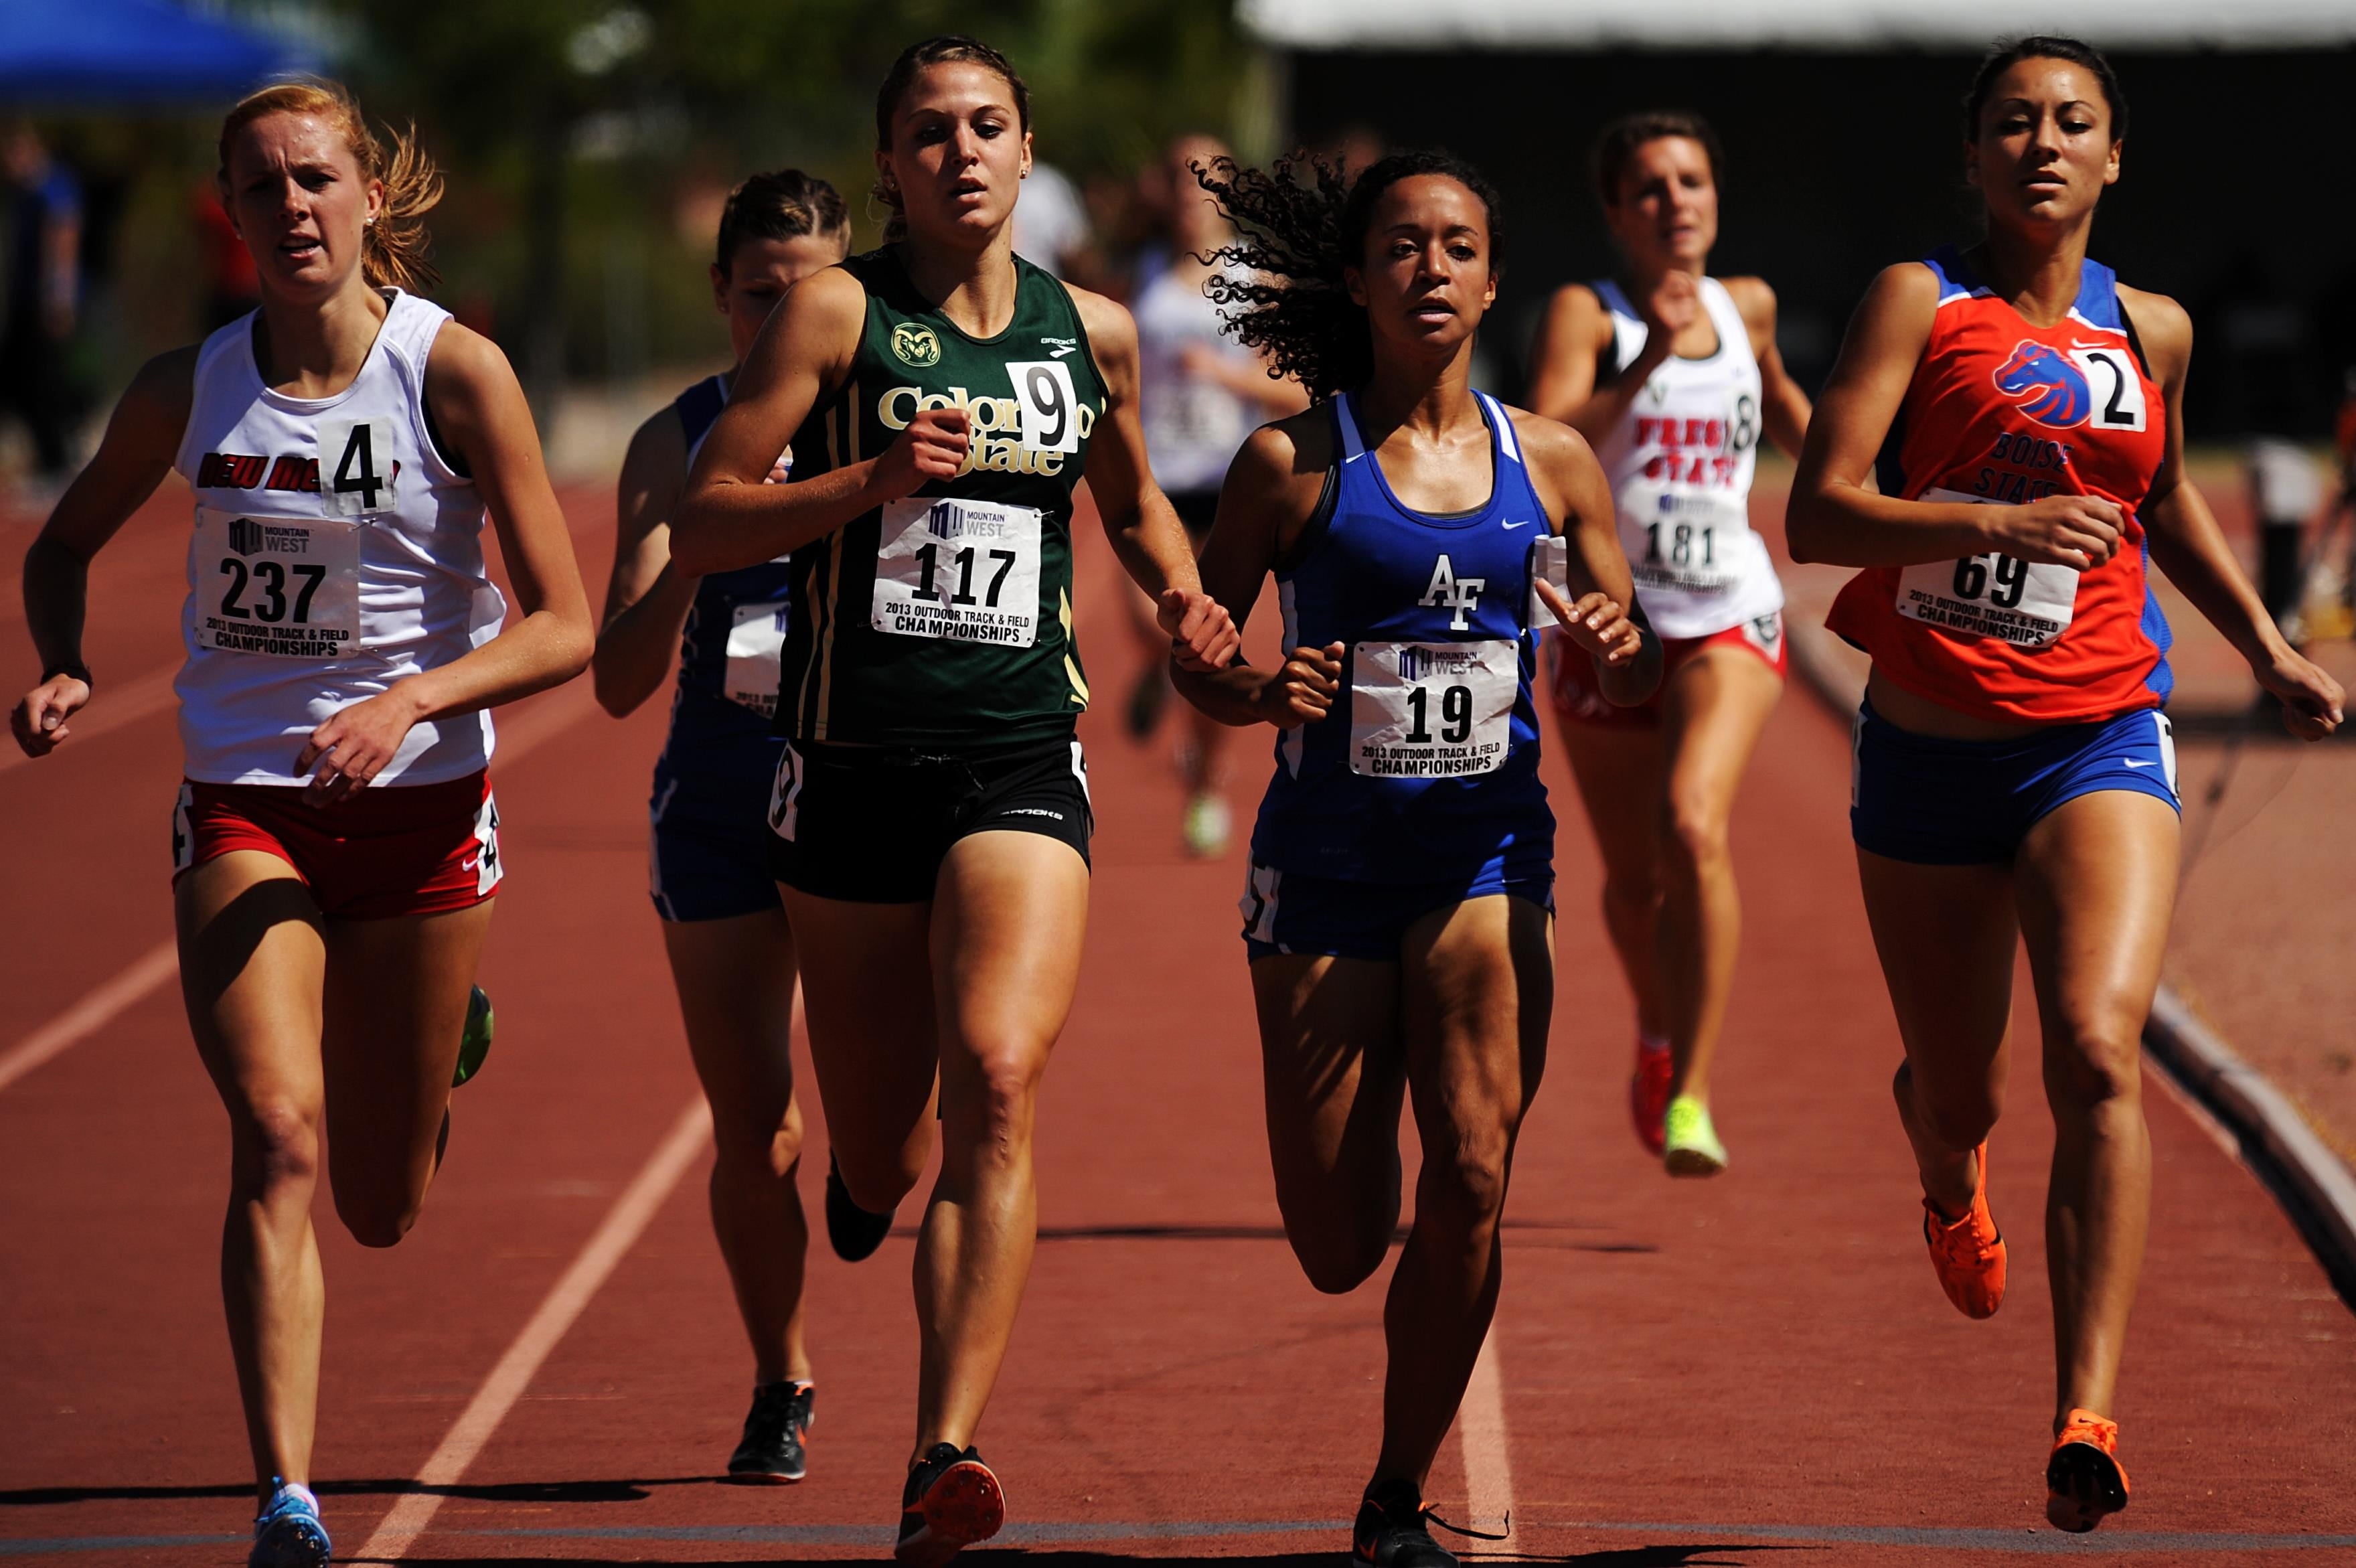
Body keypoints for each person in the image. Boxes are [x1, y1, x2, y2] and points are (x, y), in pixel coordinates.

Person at [667, 35, 1239, 1565]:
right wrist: (867, 483)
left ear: (1028, 146)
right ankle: (864, 1185)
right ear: (888, 168)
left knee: (995, 1067)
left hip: (1012, 756)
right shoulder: (839, 313)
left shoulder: (1089, 331)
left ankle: (941, 1451)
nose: (961, 152)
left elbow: (1130, 505)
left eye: (988, 126)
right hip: (846, 774)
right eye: (929, 132)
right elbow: (704, 520)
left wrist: (1183, 597)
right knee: (876, 1148)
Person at [10, 81, 592, 1567]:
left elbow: (565, 625)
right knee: (276, 1132)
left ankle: (440, 1041)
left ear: (368, 197)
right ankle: (287, 1494)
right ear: (230, 209)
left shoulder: (453, 371)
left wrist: (413, 701)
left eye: (315, 179)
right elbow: (65, 541)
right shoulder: (188, 386)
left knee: (382, 1202)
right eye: (259, 187)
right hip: (246, 808)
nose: (291, 209)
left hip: (422, 818)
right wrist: (65, 657)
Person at [1786, 37, 2343, 1533]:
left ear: (2113, 158)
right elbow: (1819, 509)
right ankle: (1941, 1150)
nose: (2041, 143)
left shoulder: (2147, 327)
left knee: (2097, 1051)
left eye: (2071, 123)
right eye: (2012, 122)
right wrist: (1992, 523)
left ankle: (2083, 1413)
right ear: (1970, 154)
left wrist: (2271, 646)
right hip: (1923, 748)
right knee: (1960, 1081)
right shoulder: (1921, 300)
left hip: (2096, 729)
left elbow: (2155, 497)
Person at [1174, 150, 1658, 1568]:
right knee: (1338, 1239)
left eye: (1457, 245)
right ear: (1356, 276)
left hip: (1486, 853)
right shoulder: (1289, 465)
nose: (1430, 267)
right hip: (1321, 869)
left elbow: (1621, 659)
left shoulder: (1549, 463)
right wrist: (1256, 689)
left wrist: (1622, 656)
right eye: (1401, 244)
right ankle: (1373, 1267)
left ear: (1491, 278)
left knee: (1472, 1174)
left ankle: (1394, 1490)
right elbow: (1204, 655)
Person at [590, 169, 850, 1484]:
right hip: (722, 806)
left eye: (813, 293)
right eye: (762, 295)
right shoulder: (671, 442)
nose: (786, 319)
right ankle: (780, 1378)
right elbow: (618, 680)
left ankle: (879, 1167)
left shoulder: (894, 431)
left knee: (884, 1131)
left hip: (867, 805)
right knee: (759, 1129)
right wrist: (692, 551)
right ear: (722, 295)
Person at [1524, 111, 1811, 1175]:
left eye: (1690, 181)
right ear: (1616, 213)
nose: (1674, 202)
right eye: (1648, 187)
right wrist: (1644, 356)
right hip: (1607, 620)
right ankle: (1653, 1030)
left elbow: (1785, 412)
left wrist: (1869, 477)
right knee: (1634, 879)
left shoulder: (1749, 307)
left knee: (1694, 825)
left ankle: (1691, 1090)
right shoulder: (1585, 313)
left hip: (1729, 607)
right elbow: (1550, 443)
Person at [1123, 133, 1308, 857]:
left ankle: (1204, 783)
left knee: (1204, 640)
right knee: (1150, 624)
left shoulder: (1256, 278)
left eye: (1207, 178)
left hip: (1230, 482)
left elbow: (1295, 390)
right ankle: (1154, 674)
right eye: (1179, 176)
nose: (1192, 191)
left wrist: (1223, 376)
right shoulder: (1140, 276)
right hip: (1157, 476)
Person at [2, 124, 84, 483]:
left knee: (44, 381)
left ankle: (57, 463)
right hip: (26, 299)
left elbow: (63, 237)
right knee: (23, 379)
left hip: (44, 302)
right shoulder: (27, 191)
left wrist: (58, 296)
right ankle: (49, 459)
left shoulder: (52, 187)